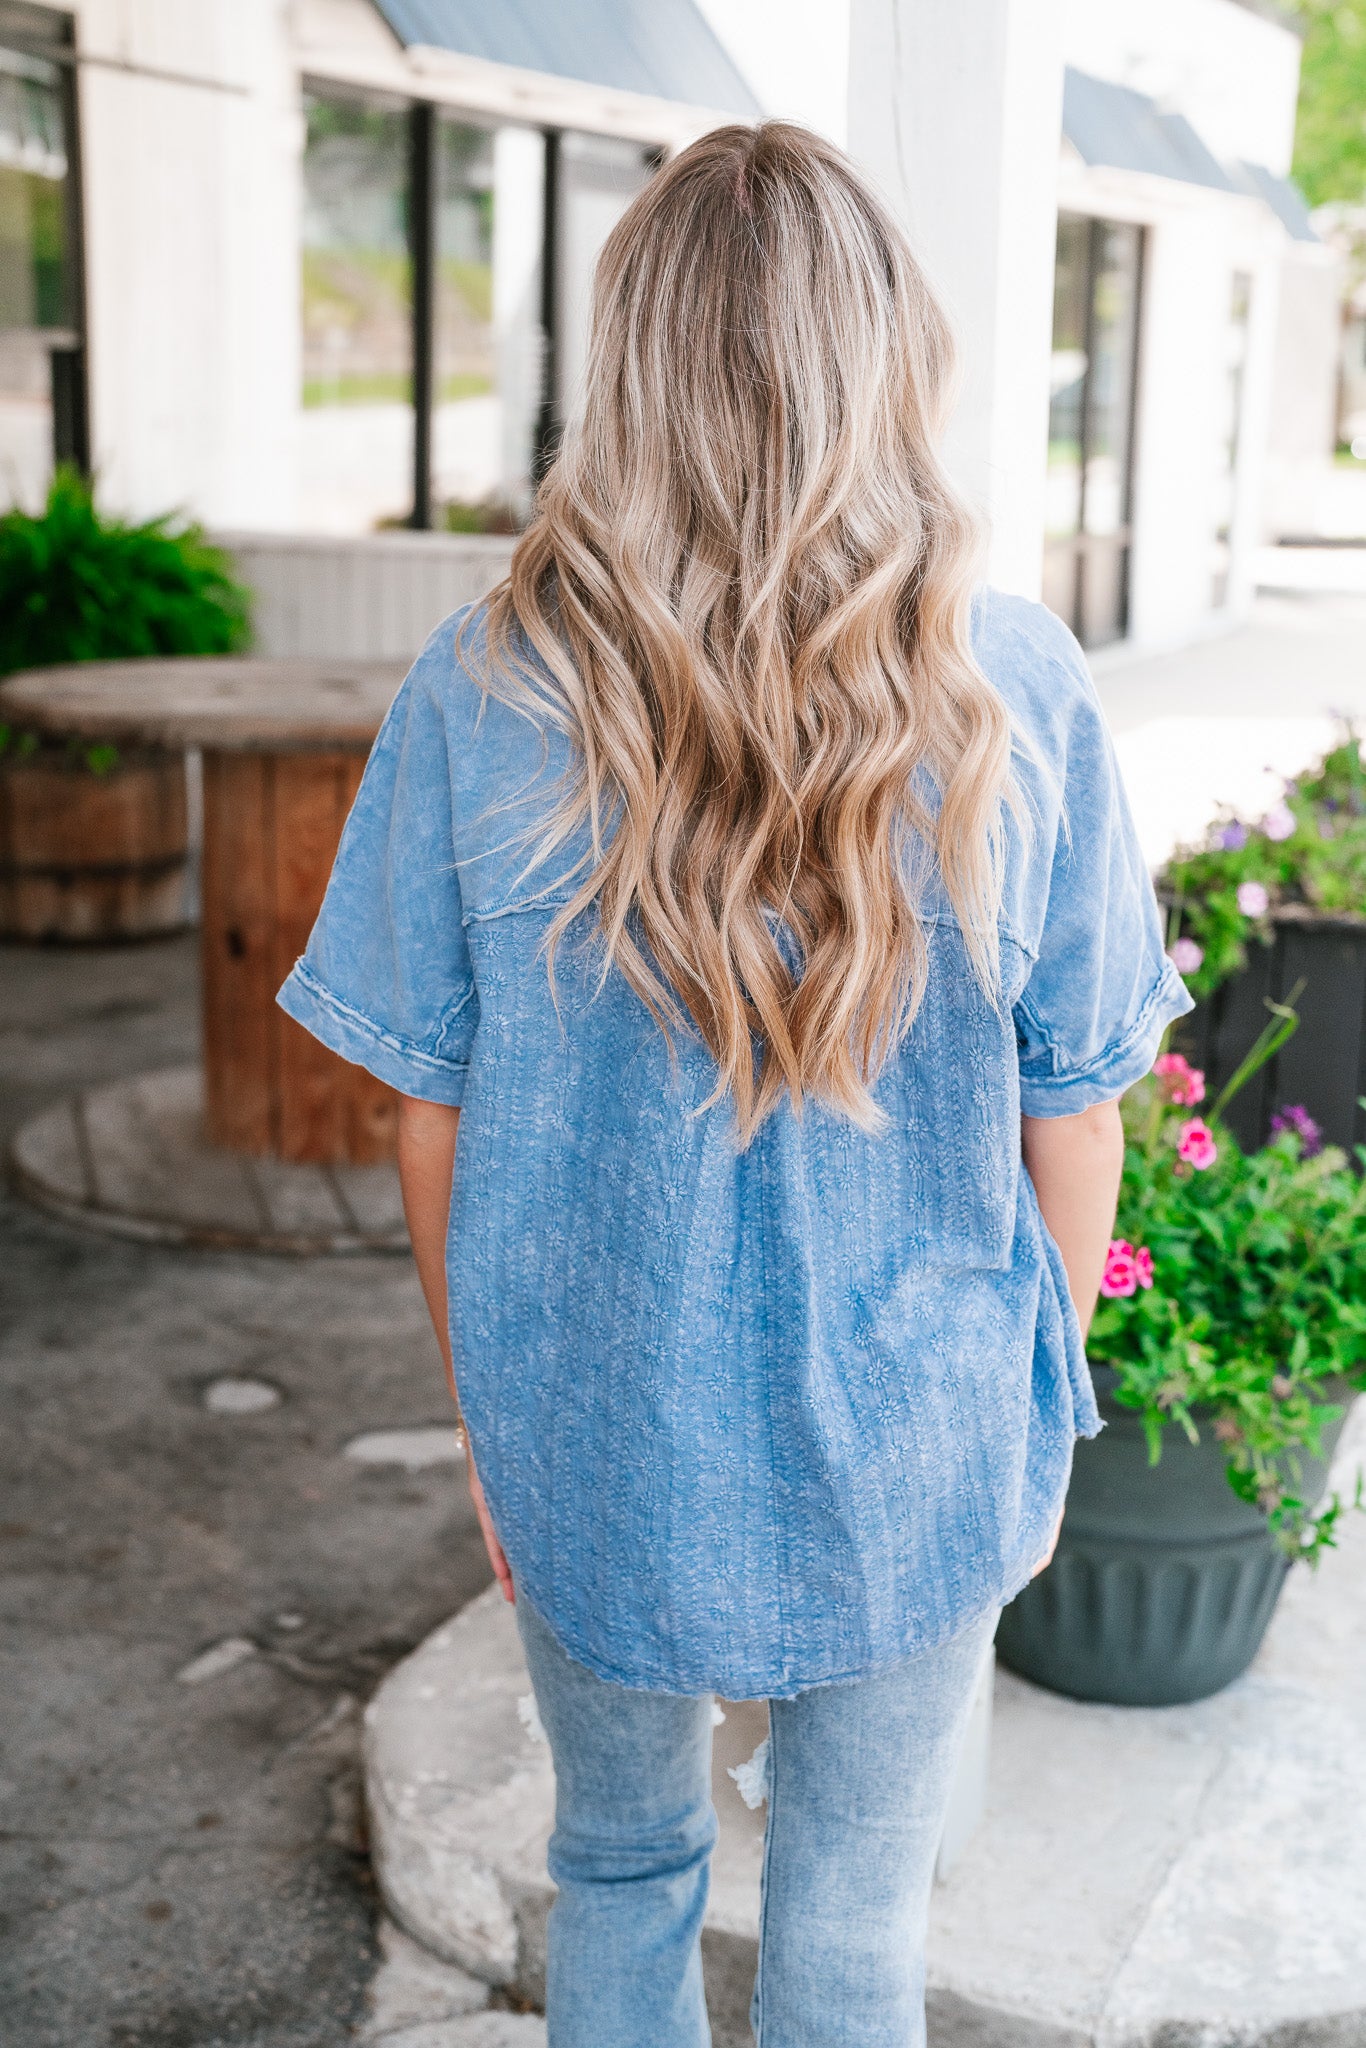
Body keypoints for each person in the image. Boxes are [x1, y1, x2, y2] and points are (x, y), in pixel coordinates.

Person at [278, 122, 1190, 2048]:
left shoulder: (482, 683)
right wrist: (1040, 1402)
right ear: (890, 358)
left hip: (591, 1425)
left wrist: (487, 1411)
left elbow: (422, 1108)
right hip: (920, 1428)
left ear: (632, 365)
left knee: (617, 1868)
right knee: (854, 1915)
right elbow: (1080, 1104)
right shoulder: (1014, 686)